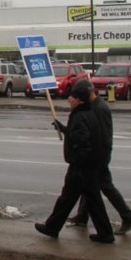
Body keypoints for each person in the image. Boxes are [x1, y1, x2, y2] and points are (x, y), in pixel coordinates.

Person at [34, 82, 115, 243]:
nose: (69, 100)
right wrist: (63, 128)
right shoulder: (89, 113)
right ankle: (106, 233)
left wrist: (77, 163)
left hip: (80, 169)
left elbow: (82, 141)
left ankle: (52, 227)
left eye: (71, 97)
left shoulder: (79, 116)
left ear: (79, 100)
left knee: (66, 199)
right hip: (90, 167)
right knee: (93, 201)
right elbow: (79, 134)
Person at [67, 79, 131, 233]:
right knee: (88, 186)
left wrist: (101, 158)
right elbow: (86, 131)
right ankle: (82, 216)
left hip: (99, 156)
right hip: (95, 155)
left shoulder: (100, 108)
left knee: (106, 187)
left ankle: (128, 217)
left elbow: (103, 136)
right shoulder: (93, 106)